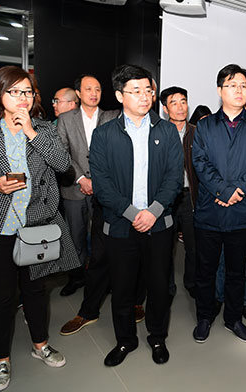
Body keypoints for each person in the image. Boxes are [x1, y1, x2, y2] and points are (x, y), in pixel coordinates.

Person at [0, 65, 80, 391]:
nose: (22, 98)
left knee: (35, 291)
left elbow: (63, 165)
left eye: (27, 91)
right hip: (1, 226)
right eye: (14, 91)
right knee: (2, 297)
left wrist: (31, 132)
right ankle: (0, 358)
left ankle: (40, 344)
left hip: (36, 225)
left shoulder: (43, 129)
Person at [89, 64, 183, 367]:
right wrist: (132, 214)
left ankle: (157, 337)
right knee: (122, 288)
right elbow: (102, 184)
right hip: (120, 225)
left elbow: (173, 178)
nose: (145, 96)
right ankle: (125, 340)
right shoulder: (104, 134)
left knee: (159, 286)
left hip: (159, 224)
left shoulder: (167, 131)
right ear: (120, 95)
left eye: (148, 90)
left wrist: (153, 212)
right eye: (136, 91)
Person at [191, 64, 246, 344]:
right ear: (219, 90)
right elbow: (200, 162)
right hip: (210, 210)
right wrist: (223, 191)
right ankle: (204, 317)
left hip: (242, 210)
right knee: (206, 270)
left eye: (244, 86)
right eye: (232, 85)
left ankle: (233, 319)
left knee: (237, 272)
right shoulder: (204, 125)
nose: (239, 90)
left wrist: (238, 191)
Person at [56, 75, 118, 297]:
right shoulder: (66, 119)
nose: (94, 93)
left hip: (104, 189)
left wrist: (97, 181)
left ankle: (102, 280)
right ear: (79, 93)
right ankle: (76, 277)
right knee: (75, 236)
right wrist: (82, 178)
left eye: (98, 89)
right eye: (88, 89)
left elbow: (116, 153)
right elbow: (61, 152)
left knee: (103, 238)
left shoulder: (112, 117)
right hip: (74, 188)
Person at [159, 86, 198, 299]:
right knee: (166, 246)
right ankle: (167, 286)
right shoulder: (158, 133)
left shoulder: (197, 132)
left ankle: (192, 282)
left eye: (183, 101)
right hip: (167, 199)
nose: (180, 107)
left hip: (191, 197)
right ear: (166, 109)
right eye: (174, 103)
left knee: (194, 245)